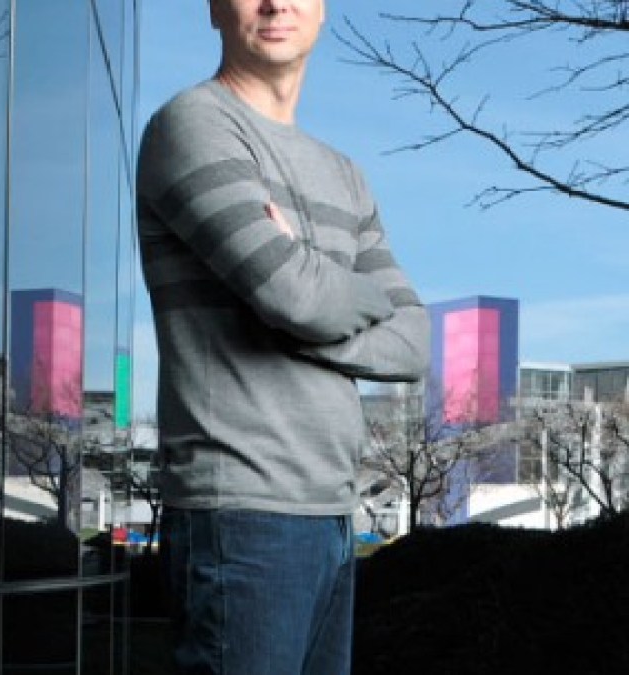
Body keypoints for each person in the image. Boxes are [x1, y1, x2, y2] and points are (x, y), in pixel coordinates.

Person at [136, 1, 429, 673]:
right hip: (240, 512)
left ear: (322, 10)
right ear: (214, 8)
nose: (274, 3)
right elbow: (293, 296)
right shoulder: (193, 125)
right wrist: (311, 297)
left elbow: (413, 342)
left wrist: (305, 291)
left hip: (332, 512)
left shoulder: (345, 174)